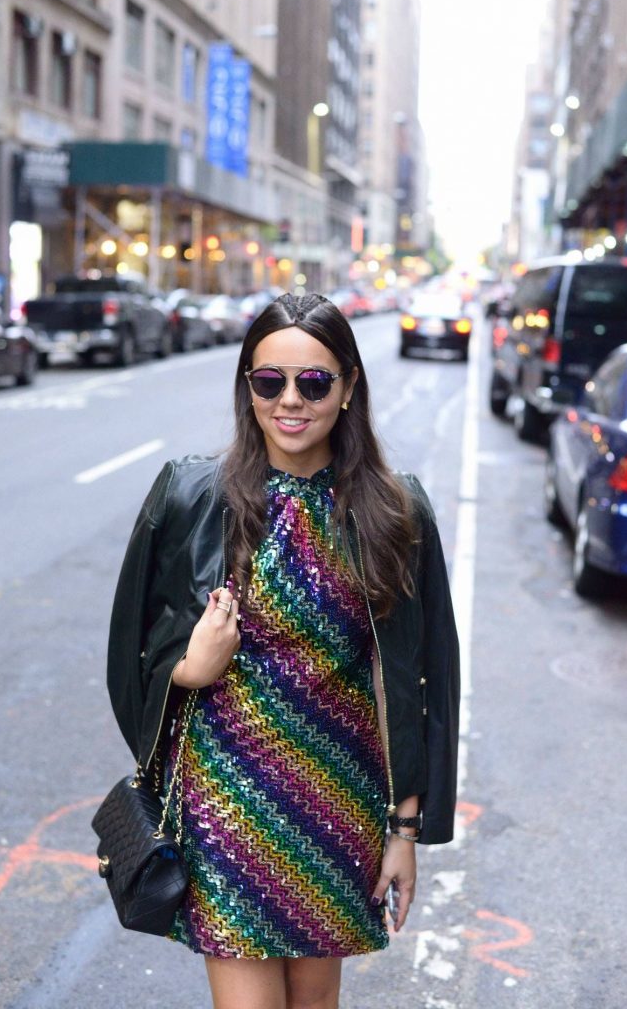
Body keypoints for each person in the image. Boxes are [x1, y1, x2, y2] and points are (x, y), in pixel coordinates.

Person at [106, 292, 460, 1009]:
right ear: (248, 387)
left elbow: (424, 682)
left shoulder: (397, 511)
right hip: (227, 800)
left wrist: (404, 831)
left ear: (348, 386)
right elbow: (129, 656)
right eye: (268, 381)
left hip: (340, 801)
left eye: (314, 382)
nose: (289, 400)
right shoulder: (190, 495)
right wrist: (190, 669)